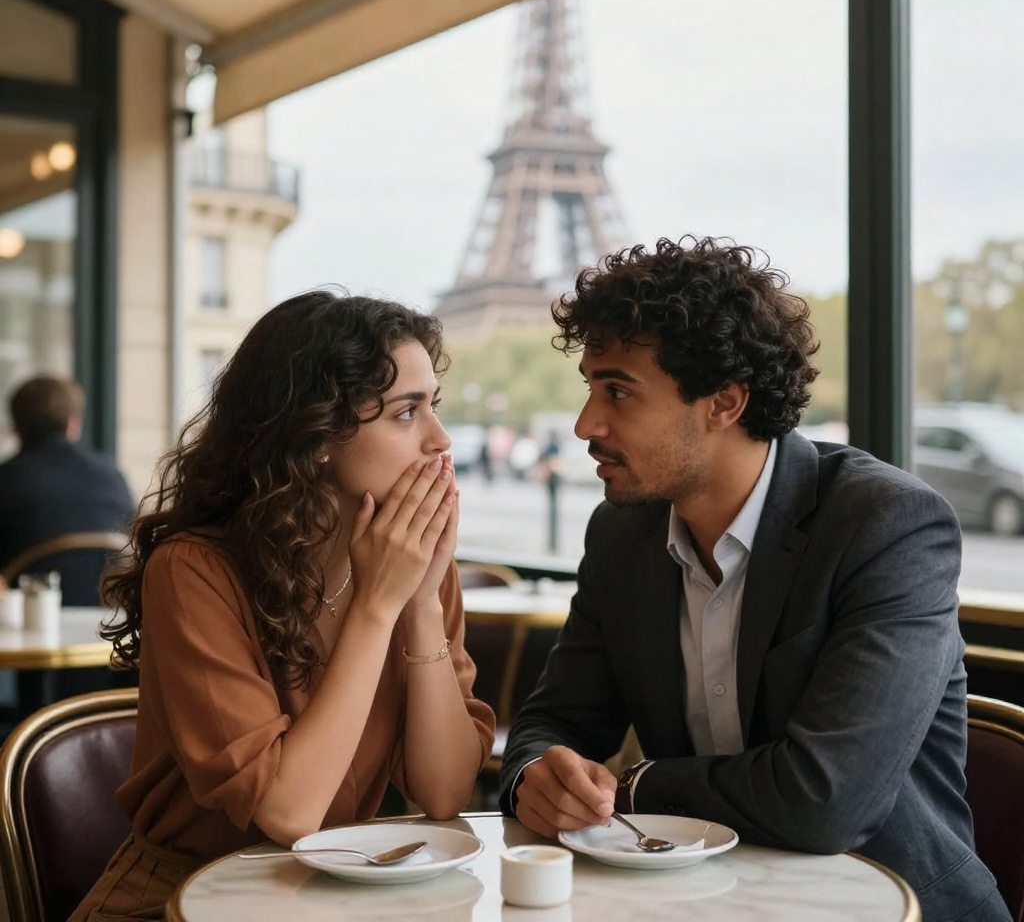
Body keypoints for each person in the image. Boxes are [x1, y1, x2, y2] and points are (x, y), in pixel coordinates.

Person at [500, 237, 1010, 922]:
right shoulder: (623, 534)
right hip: (699, 903)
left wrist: (634, 785)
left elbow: (826, 800)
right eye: (590, 388)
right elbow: (555, 721)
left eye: (618, 391)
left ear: (725, 402)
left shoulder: (886, 525)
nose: (586, 423)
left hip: (895, 904)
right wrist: (537, 775)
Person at [72, 290, 495, 921]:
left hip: (339, 892)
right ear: (317, 433)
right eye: (406, 412)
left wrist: (421, 605)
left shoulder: (414, 564)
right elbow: (289, 812)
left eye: (434, 406)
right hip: (183, 896)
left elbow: (444, 792)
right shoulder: (194, 570)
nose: (440, 440)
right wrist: (378, 606)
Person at [0, 375, 134, 605]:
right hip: (111, 617)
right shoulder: (112, 475)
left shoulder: (6, 480)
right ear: (73, 424)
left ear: (16, 427)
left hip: (30, 619)